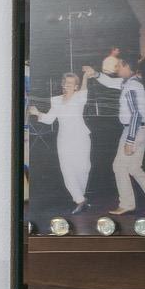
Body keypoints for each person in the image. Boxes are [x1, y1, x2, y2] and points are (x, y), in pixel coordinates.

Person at [86, 50, 145, 216]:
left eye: (119, 65)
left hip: (133, 130)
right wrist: (96, 74)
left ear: (126, 66)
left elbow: (136, 114)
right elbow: (110, 83)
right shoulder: (132, 82)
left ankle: (127, 204)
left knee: (119, 167)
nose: (116, 68)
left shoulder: (131, 86)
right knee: (134, 168)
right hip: (142, 130)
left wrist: (130, 141)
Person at [27, 70, 93, 210]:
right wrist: (37, 112)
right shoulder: (56, 100)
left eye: (70, 83)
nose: (66, 85)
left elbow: (84, 88)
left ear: (76, 86)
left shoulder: (79, 97)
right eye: (65, 82)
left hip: (81, 137)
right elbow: (50, 119)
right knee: (67, 169)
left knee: (83, 168)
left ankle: (82, 198)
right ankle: (79, 200)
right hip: (64, 139)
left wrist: (85, 76)